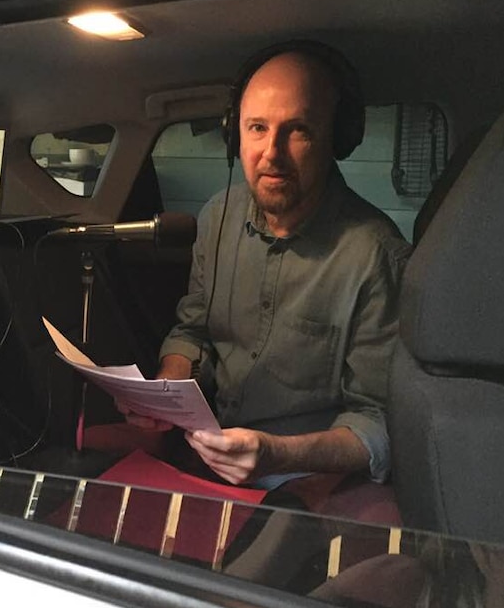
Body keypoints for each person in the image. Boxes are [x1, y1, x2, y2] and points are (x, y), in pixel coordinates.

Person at [120, 40, 412, 488]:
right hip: (208, 453)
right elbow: (192, 332)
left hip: (310, 480)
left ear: (337, 138)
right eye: (257, 127)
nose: (271, 153)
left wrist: (276, 455)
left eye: (298, 130)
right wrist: (164, 393)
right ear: (234, 132)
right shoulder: (217, 217)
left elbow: (377, 424)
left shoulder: (376, 255)